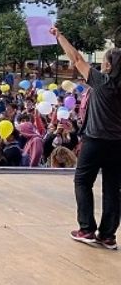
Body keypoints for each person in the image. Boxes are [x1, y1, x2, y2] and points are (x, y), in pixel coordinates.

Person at [52, 27, 121, 250]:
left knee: (82, 181)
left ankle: (87, 229)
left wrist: (59, 35)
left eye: (105, 60)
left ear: (109, 65)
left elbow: (76, 58)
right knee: (113, 188)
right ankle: (108, 235)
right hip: (118, 145)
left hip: (95, 140)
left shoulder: (102, 83)